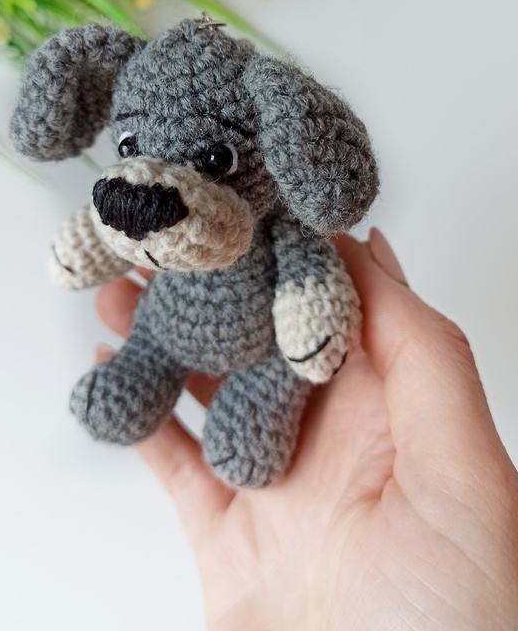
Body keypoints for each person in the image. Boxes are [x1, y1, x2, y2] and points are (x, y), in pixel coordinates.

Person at [94, 229, 518, 630]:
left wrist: (316, 322)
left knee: (282, 374)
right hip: (160, 327)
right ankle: (143, 367)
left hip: (266, 349)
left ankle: (256, 412)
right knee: (127, 378)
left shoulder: (285, 229)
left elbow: (310, 278)